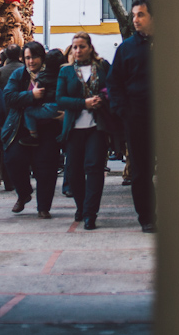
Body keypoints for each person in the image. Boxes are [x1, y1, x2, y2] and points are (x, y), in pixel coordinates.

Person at [107, 0, 155, 233]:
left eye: (141, 15)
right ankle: (147, 217)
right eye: (134, 15)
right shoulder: (126, 48)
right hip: (137, 118)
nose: (135, 19)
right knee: (141, 170)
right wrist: (123, 111)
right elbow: (114, 83)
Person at [57, 32, 114, 230]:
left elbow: (112, 89)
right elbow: (60, 99)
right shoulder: (65, 71)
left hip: (96, 127)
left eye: (82, 46)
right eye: (75, 47)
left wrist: (102, 100)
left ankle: (91, 213)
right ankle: (81, 206)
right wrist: (84, 103)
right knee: (74, 171)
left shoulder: (102, 67)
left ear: (90, 47)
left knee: (94, 168)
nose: (78, 50)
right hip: (74, 128)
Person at [2, 41, 62, 219]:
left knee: (46, 168)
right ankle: (24, 193)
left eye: (34, 57)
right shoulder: (19, 74)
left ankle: (43, 206)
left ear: (42, 57)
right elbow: (8, 97)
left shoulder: (52, 73)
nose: (31, 61)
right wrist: (30, 96)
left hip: (48, 127)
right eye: (27, 57)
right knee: (13, 160)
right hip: (21, 126)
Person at [20, 49, 67, 144]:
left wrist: (34, 96)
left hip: (50, 105)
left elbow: (39, 93)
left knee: (28, 112)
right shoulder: (64, 74)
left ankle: (33, 135)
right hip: (63, 104)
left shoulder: (43, 76)